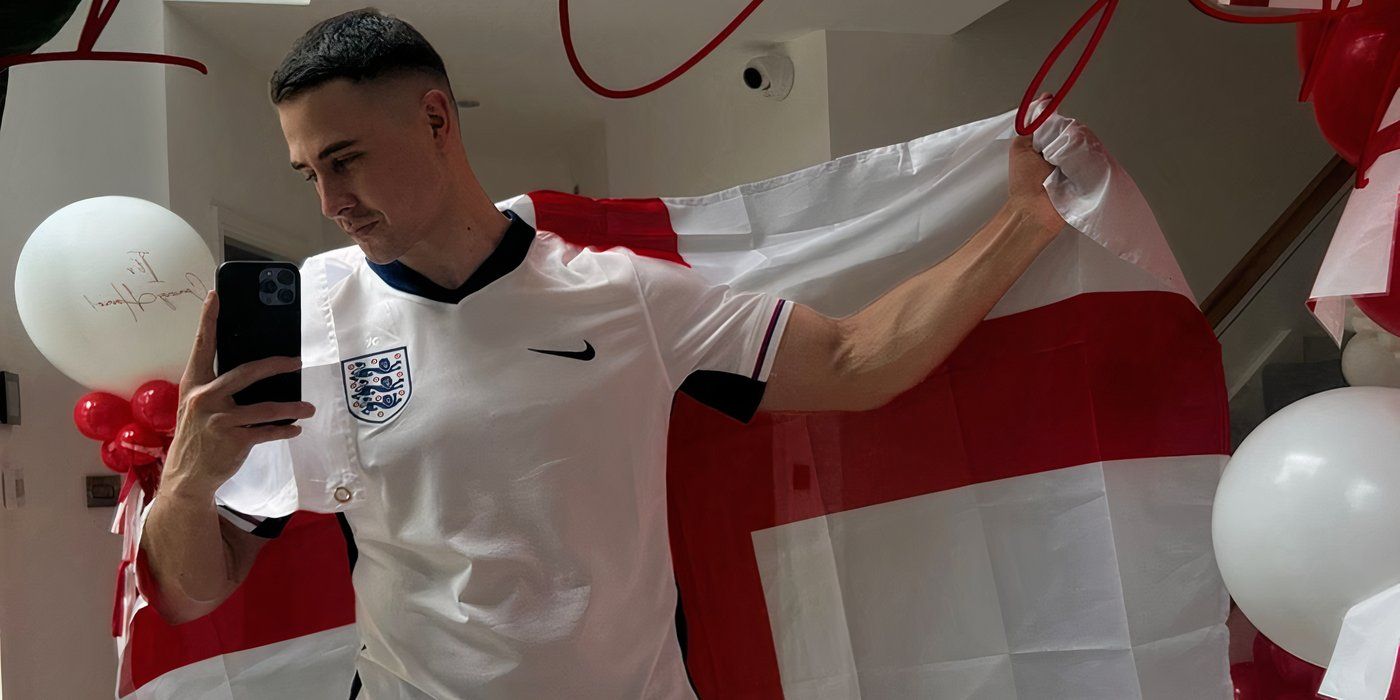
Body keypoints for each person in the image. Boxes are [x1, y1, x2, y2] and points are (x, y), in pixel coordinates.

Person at [140, 7, 1066, 698]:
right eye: (308, 172)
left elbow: (858, 361)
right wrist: (186, 480)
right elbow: (193, 592)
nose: (328, 200)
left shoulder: (621, 295)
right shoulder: (312, 321)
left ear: (434, 120)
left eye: (345, 159)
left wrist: (1023, 227)